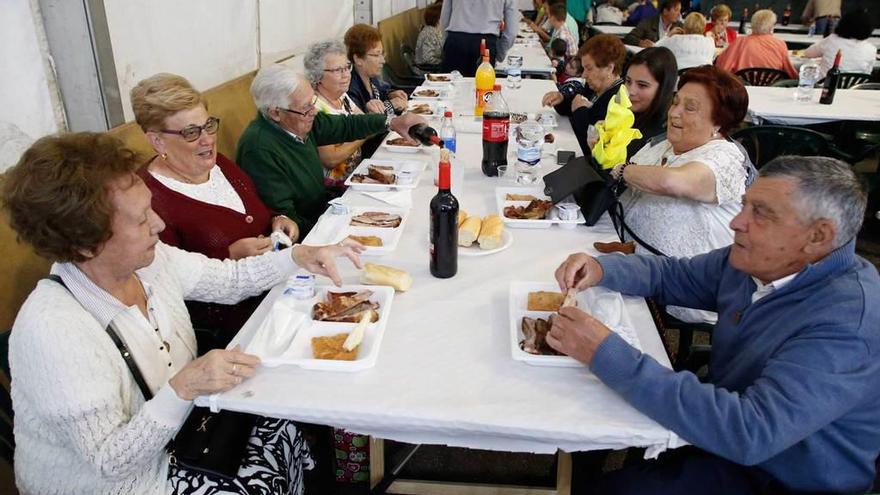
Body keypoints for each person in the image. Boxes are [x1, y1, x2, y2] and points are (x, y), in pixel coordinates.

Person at [3, 132, 364, 494]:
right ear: (85, 243)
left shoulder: (149, 262)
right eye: (141, 219)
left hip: (190, 435)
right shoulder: (53, 329)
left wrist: (297, 256)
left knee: (285, 418)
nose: (159, 224)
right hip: (123, 482)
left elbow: (228, 279)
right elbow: (110, 462)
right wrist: (185, 387)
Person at [551, 155, 880, 494]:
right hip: (731, 440)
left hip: (784, 477)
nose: (737, 222)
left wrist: (606, 353)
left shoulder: (848, 324)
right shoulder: (761, 258)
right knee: (596, 432)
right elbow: (674, 275)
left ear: (818, 236)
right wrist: (603, 269)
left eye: (761, 214)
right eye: (744, 205)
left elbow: (751, 432)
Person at [130, 73, 299, 346]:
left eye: (208, 125)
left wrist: (278, 220)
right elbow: (164, 286)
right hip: (234, 331)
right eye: (190, 132)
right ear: (157, 141)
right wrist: (228, 255)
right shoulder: (149, 199)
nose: (206, 139)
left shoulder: (220, 165)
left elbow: (256, 214)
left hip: (277, 296)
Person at [610, 65, 750, 323]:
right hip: (632, 261)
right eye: (675, 102)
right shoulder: (665, 146)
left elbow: (674, 182)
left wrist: (622, 170)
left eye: (690, 107)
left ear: (718, 121)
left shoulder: (725, 156)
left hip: (686, 286)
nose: (674, 112)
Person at [236, 64, 427, 237]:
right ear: (275, 112)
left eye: (313, 102)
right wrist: (340, 226)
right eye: (305, 108)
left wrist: (392, 122)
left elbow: (346, 125)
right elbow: (285, 220)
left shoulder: (299, 119)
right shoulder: (259, 149)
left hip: (325, 209)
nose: (313, 111)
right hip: (312, 232)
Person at [541, 34, 627, 157]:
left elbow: (591, 140)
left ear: (609, 68)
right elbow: (574, 105)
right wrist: (561, 98)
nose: (584, 75)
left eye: (589, 69)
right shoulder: (594, 86)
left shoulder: (618, 100)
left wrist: (579, 110)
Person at [304, 40, 368, 189]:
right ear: (317, 75)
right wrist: (364, 133)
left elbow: (363, 121)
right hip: (334, 190)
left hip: (355, 178)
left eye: (347, 67)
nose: (346, 75)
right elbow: (331, 158)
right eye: (338, 70)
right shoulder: (315, 107)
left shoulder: (341, 96)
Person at [621, 46, 678, 158]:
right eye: (628, 81)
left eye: (642, 85)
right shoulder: (623, 112)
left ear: (663, 89)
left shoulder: (663, 137)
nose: (630, 91)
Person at [440, 0, 519, 76]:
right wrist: (499, 53)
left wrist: (447, 44)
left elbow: (445, 18)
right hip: (485, 44)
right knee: (482, 87)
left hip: (456, 42)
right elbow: (511, 32)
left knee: (450, 86)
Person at [344, 24, 408, 116]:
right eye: (376, 55)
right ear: (358, 59)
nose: (383, 60)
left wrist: (392, 94)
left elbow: (383, 91)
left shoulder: (371, 77)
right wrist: (391, 105)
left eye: (382, 54)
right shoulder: (349, 89)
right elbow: (362, 120)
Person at [715, 9, 798, 79]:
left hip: (742, 88)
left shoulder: (739, 42)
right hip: (772, 90)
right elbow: (790, 72)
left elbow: (722, 67)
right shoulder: (780, 44)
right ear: (771, 28)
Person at [803, 9, 877, 79]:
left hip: (823, 88)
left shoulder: (832, 40)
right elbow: (867, 74)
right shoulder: (872, 49)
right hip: (854, 90)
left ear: (843, 24)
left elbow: (807, 53)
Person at [414, 3, 444, 70]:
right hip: (427, 71)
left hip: (434, 68)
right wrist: (445, 63)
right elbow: (428, 59)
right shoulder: (429, 33)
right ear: (438, 19)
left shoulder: (436, 31)